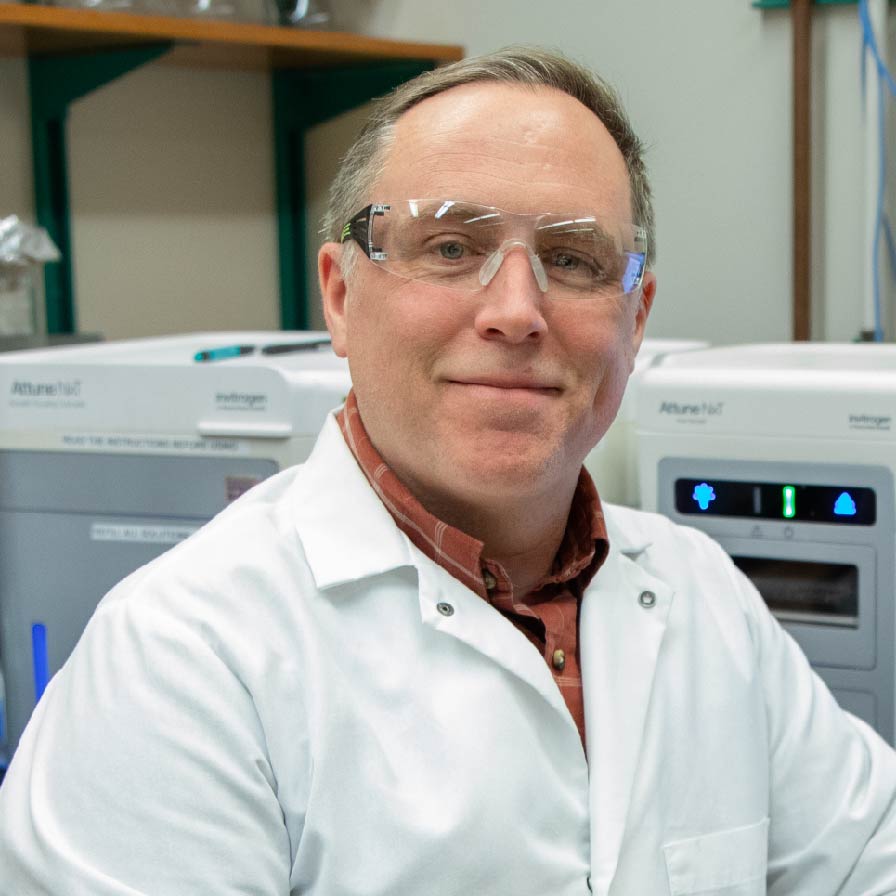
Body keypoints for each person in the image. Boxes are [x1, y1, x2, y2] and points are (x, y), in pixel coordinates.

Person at [1, 46, 895, 896]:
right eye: (452, 248)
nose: (516, 311)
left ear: (636, 319)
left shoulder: (703, 598)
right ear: (342, 296)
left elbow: (867, 858)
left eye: (574, 259)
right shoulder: (181, 660)